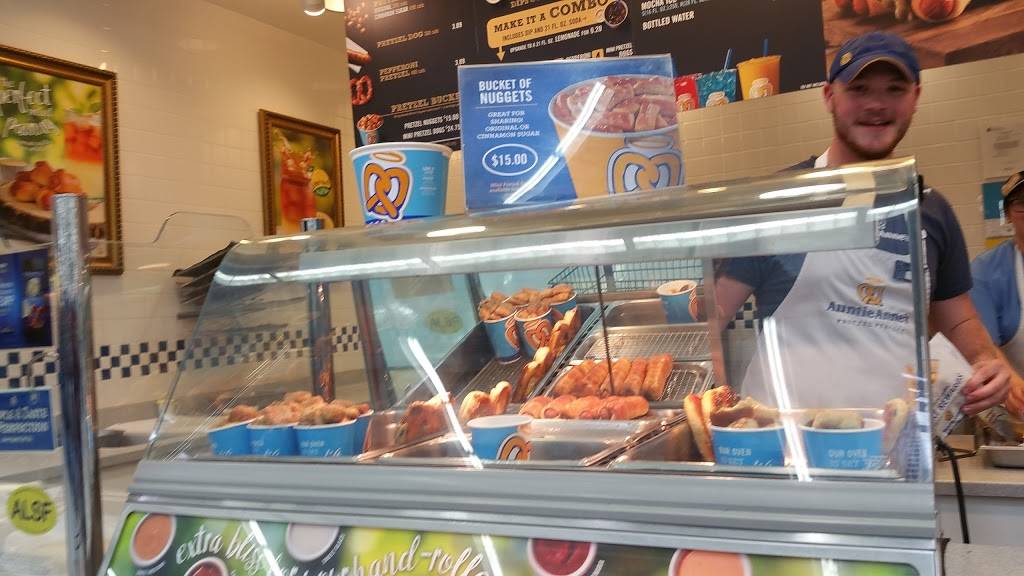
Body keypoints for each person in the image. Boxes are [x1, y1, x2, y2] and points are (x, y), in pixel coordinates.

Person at [713, 32, 1019, 415]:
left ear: (916, 98)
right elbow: (713, 314)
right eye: (859, 89)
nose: (876, 104)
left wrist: (984, 360)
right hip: (782, 439)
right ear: (829, 96)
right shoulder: (781, 199)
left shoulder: (931, 209)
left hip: (894, 441)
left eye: (895, 89)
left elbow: (959, 321)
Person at [970, 172, 1024, 412]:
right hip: (1015, 413)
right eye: (1022, 204)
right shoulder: (986, 270)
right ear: (1008, 214)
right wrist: (1013, 385)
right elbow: (983, 344)